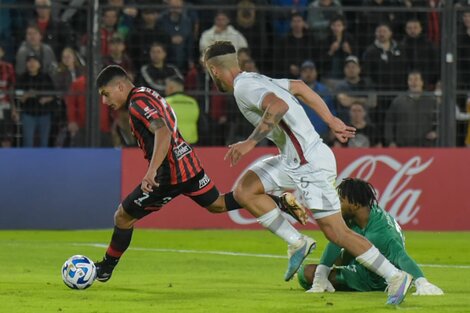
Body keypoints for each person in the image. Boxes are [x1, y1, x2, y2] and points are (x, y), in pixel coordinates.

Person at [203, 41, 413, 305]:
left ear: (214, 69)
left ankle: (395, 277)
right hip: (292, 160)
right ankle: (297, 242)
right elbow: (301, 88)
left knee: (337, 233)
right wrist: (331, 120)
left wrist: (250, 142)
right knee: (246, 190)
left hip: (309, 163)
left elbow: (278, 106)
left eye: (209, 72)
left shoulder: (243, 87)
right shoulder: (256, 78)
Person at [94, 65, 310, 283]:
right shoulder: (146, 93)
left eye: (105, 94)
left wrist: (151, 172)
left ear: (120, 86)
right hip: (188, 162)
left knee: (123, 216)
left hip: (169, 175)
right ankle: (278, 201)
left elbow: (162, 131)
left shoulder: (137, 103)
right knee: (217, 204)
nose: (105, 101)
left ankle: (105, 268)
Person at [297, 178, 444, 296]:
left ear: (354, 204)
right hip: (364, 264)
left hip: (375, 278)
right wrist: (322, 272)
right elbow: (336, 240)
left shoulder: (380, 232)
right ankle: (324, 278)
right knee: (330, 257)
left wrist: (421, 281)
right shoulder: (360, 217)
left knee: (306, 273)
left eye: (341, 201)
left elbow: (401, 256)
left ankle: (390, 282)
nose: (337, 205)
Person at [384, 71, 438, 147]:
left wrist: (437, 132)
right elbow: (389, 121)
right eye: (410, 80)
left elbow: (441, 120)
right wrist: (390, 141)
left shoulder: (432, 101)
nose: (413, 82)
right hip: (403, 146)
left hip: (426, 146)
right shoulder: (398, 101)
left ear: (422, 82)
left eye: (416, 79)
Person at [164, 75, 200, 144]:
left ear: (171, 88)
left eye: (166, 86)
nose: (165, 89)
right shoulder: (193, 102)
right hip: (191, 143)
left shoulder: (165, 102)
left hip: (172, 143)